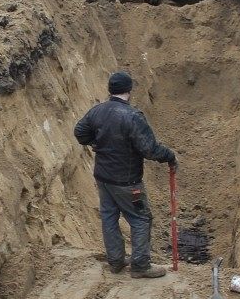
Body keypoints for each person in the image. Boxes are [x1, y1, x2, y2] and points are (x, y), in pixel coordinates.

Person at [73, 71, 176, 278]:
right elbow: (149, 149)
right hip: (128, 182)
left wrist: (96, 143)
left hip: (103, 178)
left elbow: (80, 132)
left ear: (110, 90)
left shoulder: (97, 111)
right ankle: (140, 265)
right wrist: (169, 156)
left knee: (109, 217)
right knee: (141, 219)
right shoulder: (132, 117)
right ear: (129, 90)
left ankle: (116, 261)